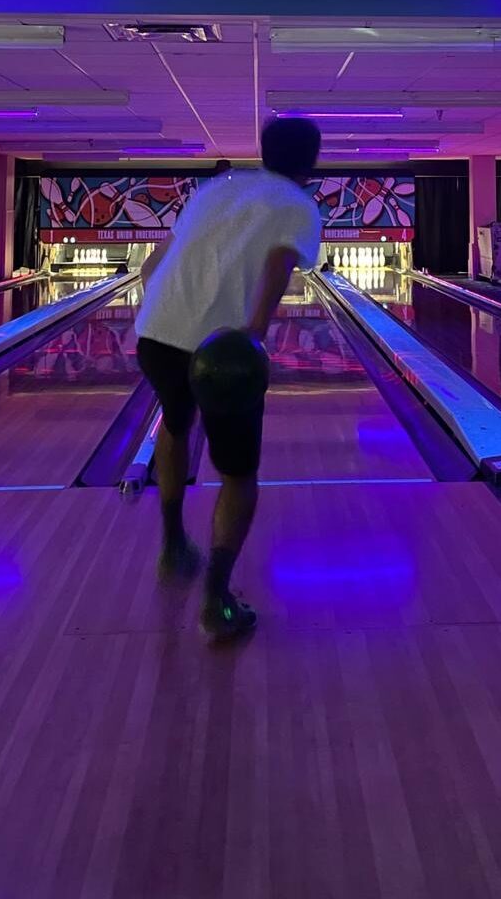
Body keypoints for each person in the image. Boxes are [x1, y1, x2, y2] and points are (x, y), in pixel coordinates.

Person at [135, 118, 322, 640]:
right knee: (238, 473)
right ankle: (216, 602)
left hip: (156, 333)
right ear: (312, 160)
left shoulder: (215, 188)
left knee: (174, 423)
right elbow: (281, 262)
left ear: (263, 150)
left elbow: (156, 263)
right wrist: (254, 336)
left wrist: (161, 310)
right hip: (223, 351)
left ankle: (173, 545)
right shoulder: (299, 206)